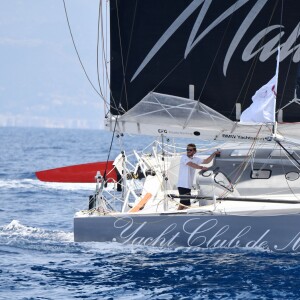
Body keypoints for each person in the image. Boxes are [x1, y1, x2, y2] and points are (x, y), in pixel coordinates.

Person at [177, 143, 220, 210]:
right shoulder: (184, 157)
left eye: (190, 150)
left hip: (188, 185)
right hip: (182, 184)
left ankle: (177, 214)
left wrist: (214, 154)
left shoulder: (195, 159)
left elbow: (206, 161)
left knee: (183, 203)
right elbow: (191, 164)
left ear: (194, 151)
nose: (188, 151)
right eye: (187, 150)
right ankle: (182, 216)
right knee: (186, 204)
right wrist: (201, 167)